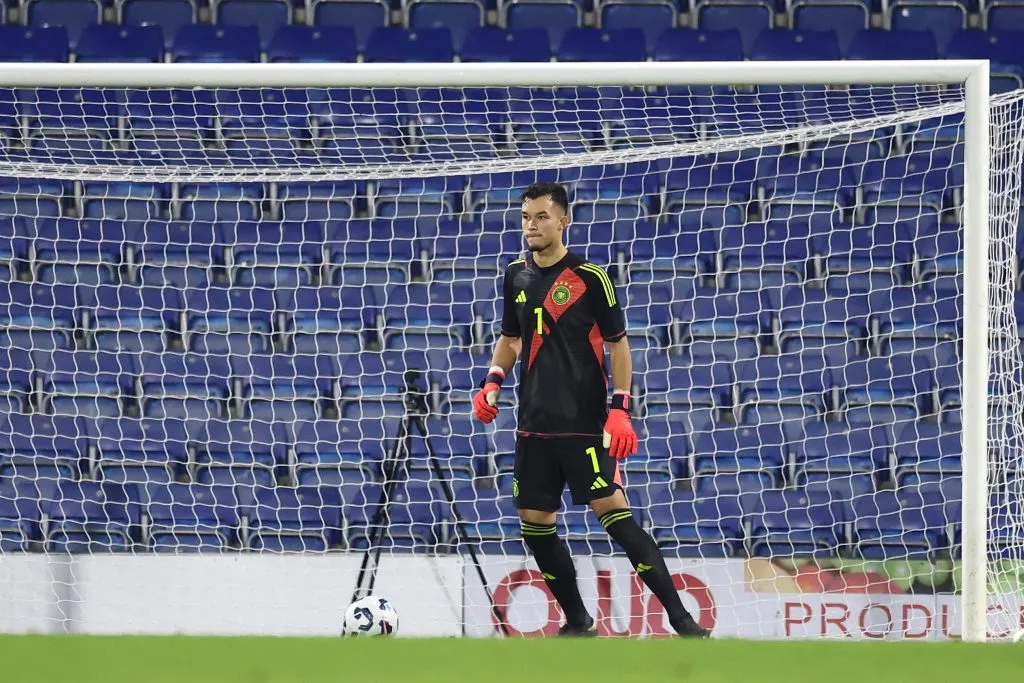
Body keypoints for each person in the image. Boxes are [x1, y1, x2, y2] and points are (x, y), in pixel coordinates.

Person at [472, 182, 710, 638]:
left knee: (614, 515)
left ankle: (681, 621)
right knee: (534, 520)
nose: (531, 226)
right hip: (534, 427)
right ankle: (578, 620)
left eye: (541, 217)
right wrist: (492, 383)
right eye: (525, 217)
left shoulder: (590, 277)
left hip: (584, 425)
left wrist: (620, 410)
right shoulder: (514, 276)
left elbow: (620, 346)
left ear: (563, 221)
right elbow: (511, 339)